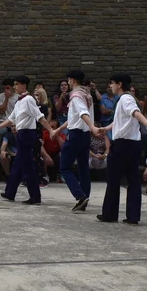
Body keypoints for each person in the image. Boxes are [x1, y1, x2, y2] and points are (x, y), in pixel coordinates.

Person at [98, 72, 147, 225]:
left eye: (112, 83)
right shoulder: (123, 100)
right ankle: (133, 216)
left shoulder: (126, 99)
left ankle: (110, 214)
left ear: (119, 84)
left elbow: (135, 113)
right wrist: (107, 128)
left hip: (122, 144)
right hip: (132, 144)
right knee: (132, 180)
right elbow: (122, 120)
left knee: (113, 179)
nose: (111, 86)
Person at [0, 75, 52, 204]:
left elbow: (39, 117)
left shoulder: (28, 99)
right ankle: (10, 192)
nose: (14, 87)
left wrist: (51, 130)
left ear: (24, 86)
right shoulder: (19, 101)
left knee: (27, 165)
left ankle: (35, 196)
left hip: (27, 134)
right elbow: (11, 119)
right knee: (17, 165)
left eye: (17, 84)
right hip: (21, 134)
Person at [51, 69, 98, 212]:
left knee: (64, 167)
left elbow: (83, 113)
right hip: (85, 135)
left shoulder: (76, 96)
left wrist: (92, 127)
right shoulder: (87, 94)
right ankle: (85, 199)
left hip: (76, 134)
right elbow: (74, 117)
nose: (68, 82)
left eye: (69, 80)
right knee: (83, 168)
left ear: (72, 80)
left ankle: (80, 196)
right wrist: (59, 130)